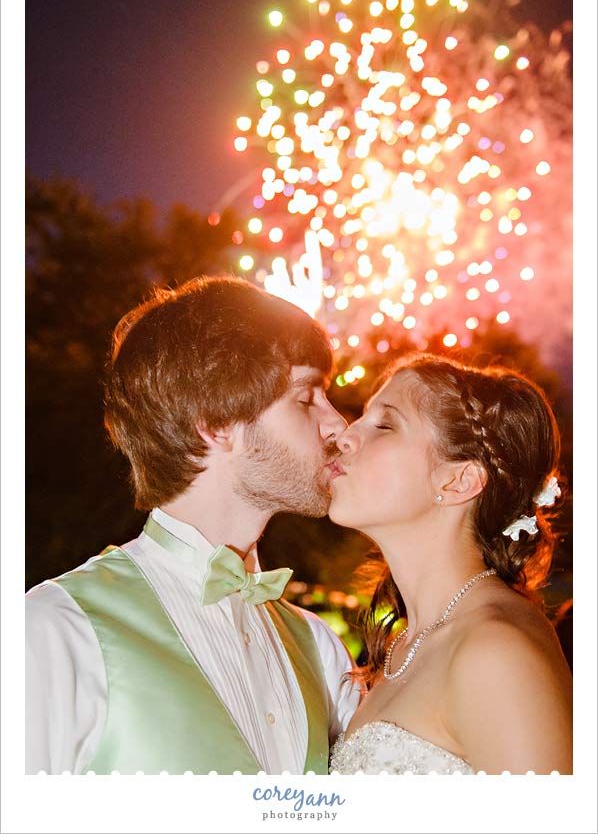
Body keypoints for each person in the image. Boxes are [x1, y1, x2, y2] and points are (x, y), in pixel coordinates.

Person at [26, 275, 359, 774]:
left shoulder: (320, 648)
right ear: (216, 422)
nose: (338, 424)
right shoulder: (56, 629)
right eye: (306, 397)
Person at [328, 353, 572, 775]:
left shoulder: (495, 650)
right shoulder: (406, 644)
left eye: (384, 424)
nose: (345, 436)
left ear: (458, 481)